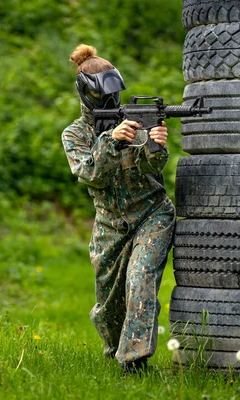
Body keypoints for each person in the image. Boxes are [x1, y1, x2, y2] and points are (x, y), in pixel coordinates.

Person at [61, 44, 175, 374]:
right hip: (110, 225)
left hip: (152, 215)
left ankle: (134, 363)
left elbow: (153, 169)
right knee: (109, 309)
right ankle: (115, 349)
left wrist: (155, 143)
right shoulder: (75, 134)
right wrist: (112, 140)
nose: (110, 101)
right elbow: (90, 175)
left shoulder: (133, 121)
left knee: (140, 281)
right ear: (87, 93)